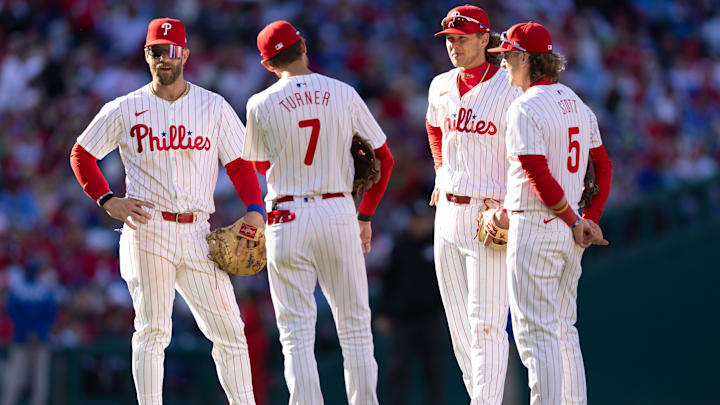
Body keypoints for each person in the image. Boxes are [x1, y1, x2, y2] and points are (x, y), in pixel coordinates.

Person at [69, 18, 264, 405]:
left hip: (197, 231)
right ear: (147, 55)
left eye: (172, 50)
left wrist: (256, 208)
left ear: (185, 54)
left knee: (229, 329)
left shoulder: (213, 105)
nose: (165, 58)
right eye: (157, 51)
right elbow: (82, 153)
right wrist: (107, 199)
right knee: (153, 331)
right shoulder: (126, 108)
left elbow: (240, 163)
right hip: (148, 227)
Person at [242, 20, 394, 405]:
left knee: (295, 332)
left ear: (267, 65)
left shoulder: (259, 103)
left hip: (287, 215)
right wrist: (366, 215)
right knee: (356, 327)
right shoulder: (343, 92)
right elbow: (385, 160)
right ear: (303, 47)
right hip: (338, 211)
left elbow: (259, 166)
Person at [487, 22, 613, 404]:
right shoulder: (575, 101)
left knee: (535, 335)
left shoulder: (524, 107)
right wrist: (588, 216)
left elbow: (536, 172)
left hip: (542, 223)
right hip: (566, 224)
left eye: (508, 55)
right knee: (563, 329)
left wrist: (578, 220)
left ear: (527, 58)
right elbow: (602, 165)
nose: (504, 63)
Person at [425, 5, 521, 403]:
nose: (454, 45)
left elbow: (524, 153)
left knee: (487, 326)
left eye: (462, 38)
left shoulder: (509, 86)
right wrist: (439, 169)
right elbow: (433, 126)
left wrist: (510, 208)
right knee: (460, 329)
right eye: (449, 39)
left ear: (485, 38)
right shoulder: (441, 85)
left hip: (489, 212)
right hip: (447, 213)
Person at [375, 201, 447, 405]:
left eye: (425, 219)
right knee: (398, 371)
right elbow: (388, 281)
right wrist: (384, 314)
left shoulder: (438, 242)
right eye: (417, 220)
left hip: (432, 317)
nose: (421, 224)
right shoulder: (400, 245)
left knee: (434, 371)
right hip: (404, 320)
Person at [2, 262, 56, 405]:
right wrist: (37, 333)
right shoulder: (45, 290)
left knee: (17, 376)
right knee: (37, 378)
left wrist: (27, 332)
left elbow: (13, 314)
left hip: (22, 338)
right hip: (38, 339)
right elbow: (50, 315)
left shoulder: (17, 290)